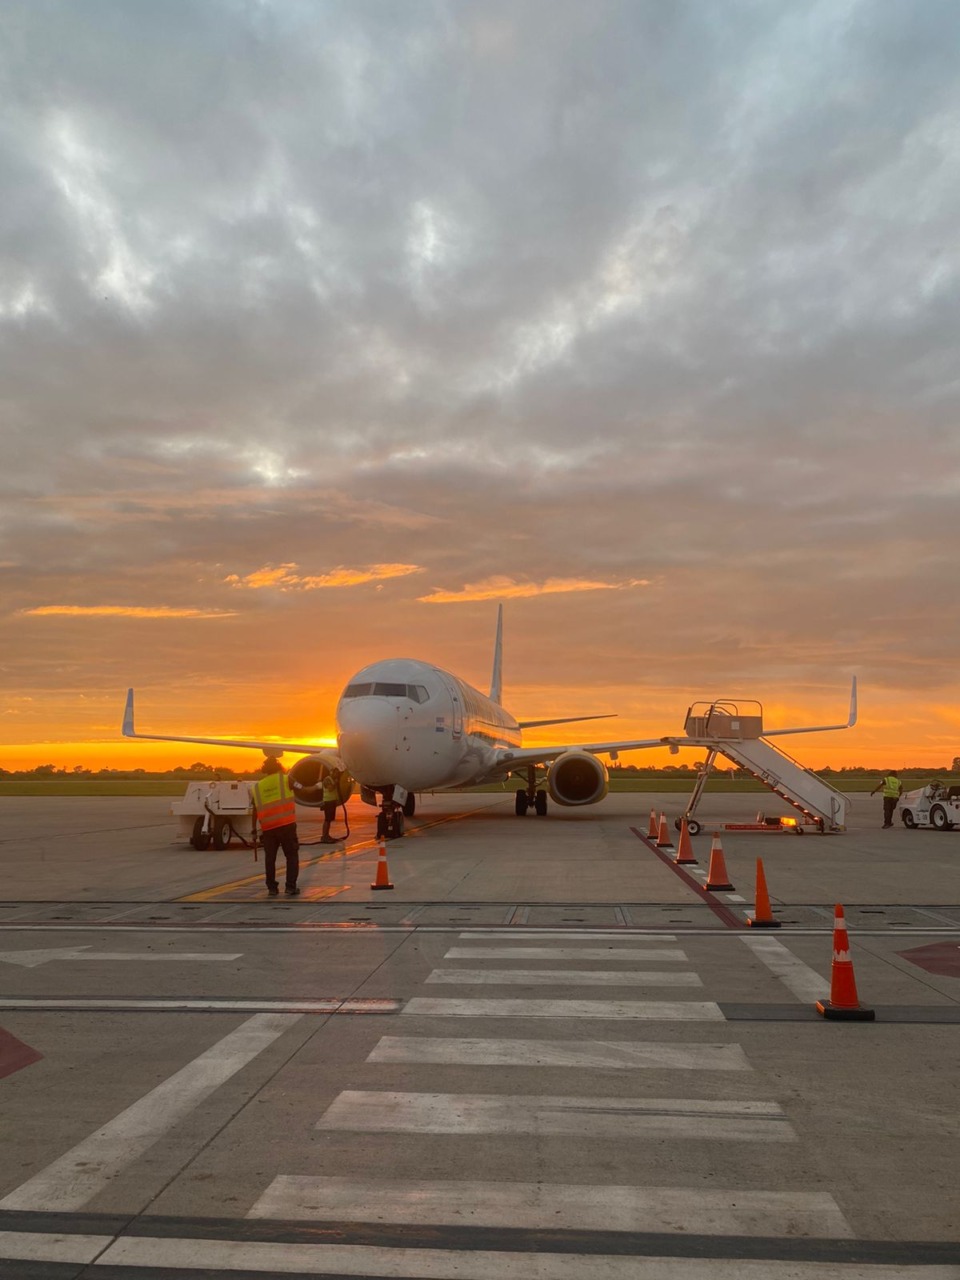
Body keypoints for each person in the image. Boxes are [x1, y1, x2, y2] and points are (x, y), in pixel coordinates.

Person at [250, 757, 299, 896]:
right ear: (279, 767)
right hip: (286, 825)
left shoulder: (257, 787)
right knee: (291, 856)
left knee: (270, 859)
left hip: (268, 828)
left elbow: (255, 809)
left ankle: (272, 888)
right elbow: (302, 788)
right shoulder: (286, 779)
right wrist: (317, 786)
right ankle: (290, 887)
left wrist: (254, 829)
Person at [321, 768, 341, 844]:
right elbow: (330, 789)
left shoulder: (332, 779)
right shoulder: (327, 779)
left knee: (329, 820)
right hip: (328, 802)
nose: (337, 775)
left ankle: (327, 835)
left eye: (337, 773)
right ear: (332, 773)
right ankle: (324, 836)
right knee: (327, 820)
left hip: (332, 802)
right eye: (335, 773)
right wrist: (336, 783)